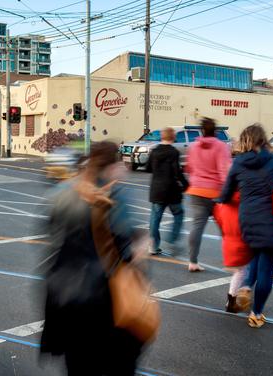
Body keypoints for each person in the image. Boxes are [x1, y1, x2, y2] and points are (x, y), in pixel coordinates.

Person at [40, 142, 143, 375]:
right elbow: (125, 246)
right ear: (111, 167)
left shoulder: (61, 193)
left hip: (65, 291)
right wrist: (141, 245)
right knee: (118, 362)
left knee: (77, 364)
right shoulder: (113, 196)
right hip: (104, 296)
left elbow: (51, 233)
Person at [218, 124, 273, 328]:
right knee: (266, 271)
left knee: (254, 261)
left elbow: (225, 195)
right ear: (264, 140)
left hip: (249, 222)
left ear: (245, 141)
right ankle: (256, 313)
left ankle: (245, 287)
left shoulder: (239, 163)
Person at [185, 118, 232, 272]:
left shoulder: (193, 147)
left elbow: (189, 168)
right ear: (215, 131)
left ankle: (192, 262)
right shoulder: (221, 147)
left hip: (197, 191)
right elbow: (224, 171)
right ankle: (230, 260)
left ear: (202, 131)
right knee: (225, 228)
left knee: (197, 226)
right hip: (216, 193)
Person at [146, 127, 189, 255]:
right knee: (178, 214)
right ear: (173, 137)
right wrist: (186, 184)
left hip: (157, 190)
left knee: (155, 218)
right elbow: (177, 171)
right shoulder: (174, 152)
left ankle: (153, 246)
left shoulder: (154, 152)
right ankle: (172, 238)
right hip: (172, 190)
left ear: (162, 137)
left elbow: (148, 168)